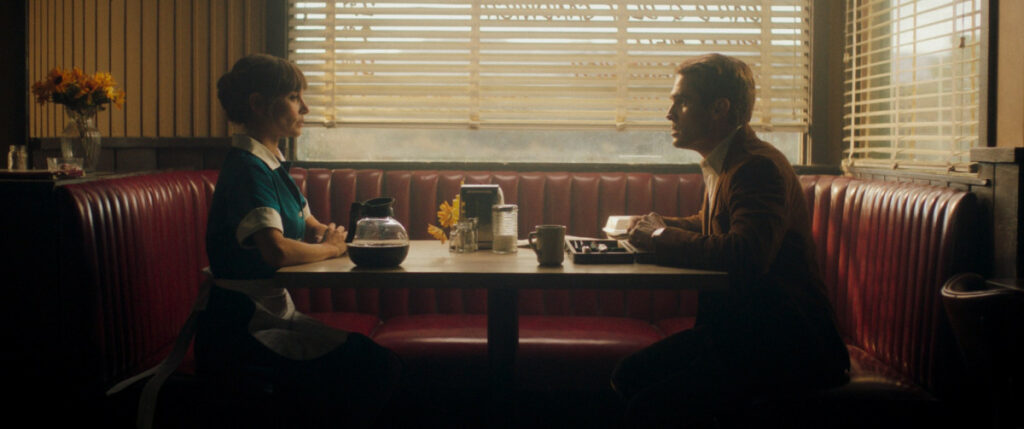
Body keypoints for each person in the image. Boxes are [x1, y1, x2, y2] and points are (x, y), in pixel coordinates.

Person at [611, 54, 850, 427]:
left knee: (647, 404)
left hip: (788, 346)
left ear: (719, 109)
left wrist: (657, 236)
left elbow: (745, 254)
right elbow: (717, 226)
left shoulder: (756, 167)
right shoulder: (729, 161)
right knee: (629, 375)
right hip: (746, 336)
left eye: (682, 102)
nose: (670, 114)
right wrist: (653, 224)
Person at [197, 53, 400, 427]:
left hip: (273, 313)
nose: (305, 108)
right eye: (293, 97)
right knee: (373, 366)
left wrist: (327, 235)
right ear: (258, 104)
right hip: (242, 326)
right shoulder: (247, 168)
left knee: (374, 361)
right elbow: (276, 251)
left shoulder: (270, 162)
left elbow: (308, 222)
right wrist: (331, 248)